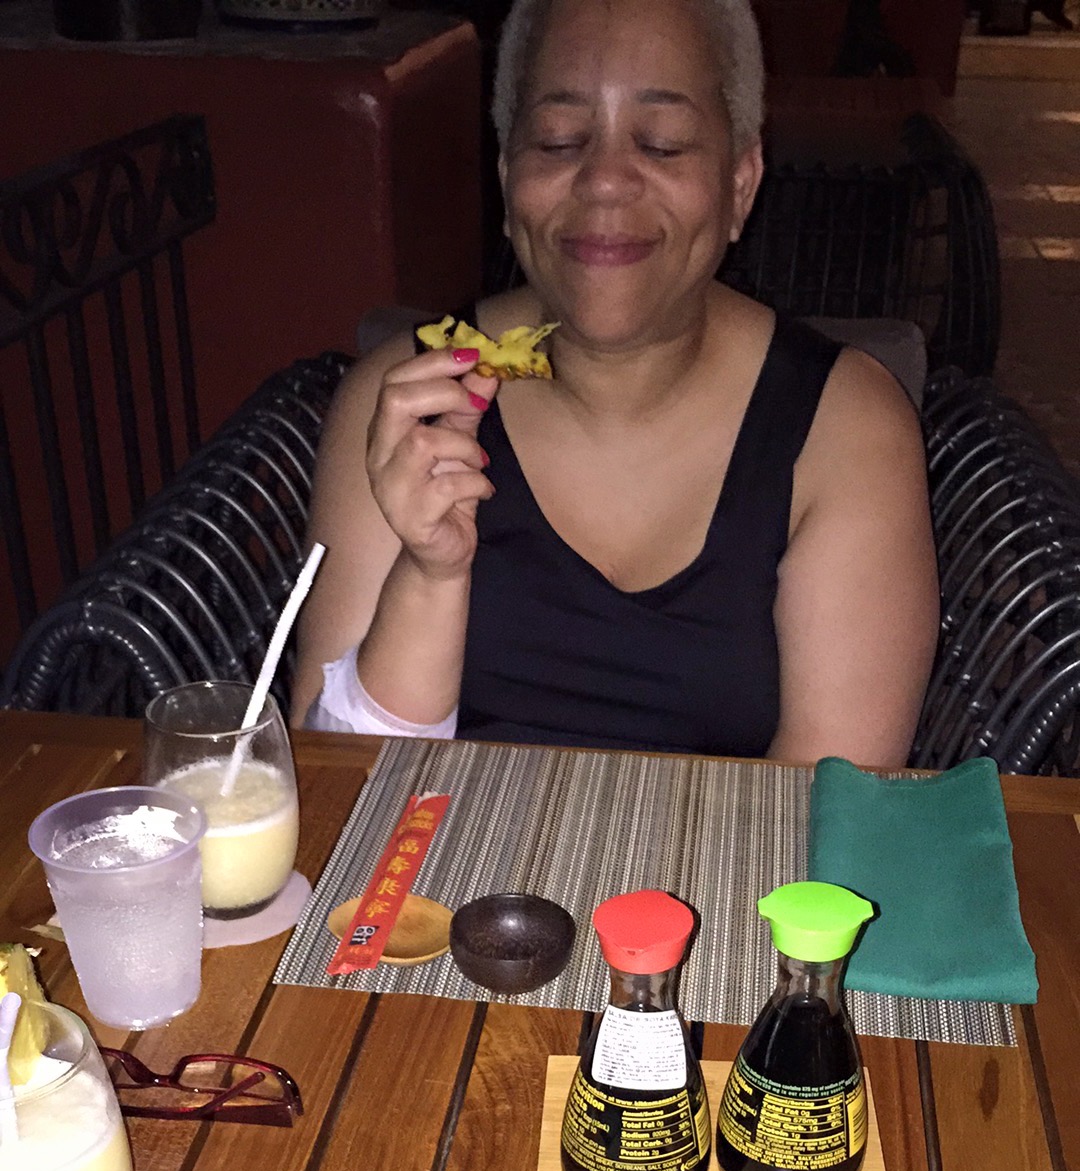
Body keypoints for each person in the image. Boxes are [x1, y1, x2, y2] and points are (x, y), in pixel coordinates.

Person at [294, 0, 939, 770]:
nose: (603, 181)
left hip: (736, 853)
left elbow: (828, 807)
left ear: (740, 183)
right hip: (440, 848)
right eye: (559, 140)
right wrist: (429, 576)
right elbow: (341, 780)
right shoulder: (406, 402)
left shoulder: (845, 428)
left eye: (662, 143)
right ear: (507, 177)